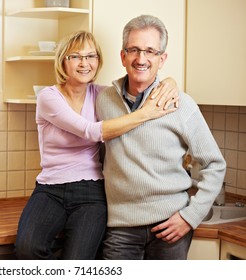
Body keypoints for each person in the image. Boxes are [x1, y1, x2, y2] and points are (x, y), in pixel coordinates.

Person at [15, 31, 179, 260]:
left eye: (91, 56)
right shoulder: (48, 97)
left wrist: (169, 82)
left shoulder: (103, 95)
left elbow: (138, 86)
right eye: (76, 57)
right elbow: (90, 132)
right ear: (63, 60)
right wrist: (146, 114)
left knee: (78, 262)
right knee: (27, 249)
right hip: (50, 188)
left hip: (92, 191)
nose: (85, 63)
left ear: (98, 61)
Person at [96, 15, 226, 260]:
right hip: (120, 227)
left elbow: (215, 164)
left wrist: (191, 217)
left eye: (150, 51)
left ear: (162, 58)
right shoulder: (102, 101)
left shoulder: (181, 104)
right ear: (122, 56)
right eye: (133, 50)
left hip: (171, 227)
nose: (141, 59)